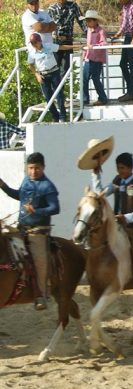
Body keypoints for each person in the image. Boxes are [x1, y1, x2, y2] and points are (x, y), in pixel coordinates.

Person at [0, 152, 59, 310]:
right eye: (31, 168)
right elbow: (19, 195)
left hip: (38, 232)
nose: (34, 172)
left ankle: (41, 294)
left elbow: (55, 208)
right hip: (21, 229)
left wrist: (36, 211)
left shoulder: (48, 186)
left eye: (37, 168)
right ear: (27, 168)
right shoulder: (26, 180)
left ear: (43, 167)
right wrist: (4, 186)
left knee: (40, 260)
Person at [93, 152, 133, 305]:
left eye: (123, 168)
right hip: (118, 226)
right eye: (118, 168)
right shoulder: (117, 182)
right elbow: (100, 194)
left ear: (131, 168)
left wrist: (128, 217)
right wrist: (95, 175)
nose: (120, 171)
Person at [27, 32, 74, 123]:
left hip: (54, 72)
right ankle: (55, 116)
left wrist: (76, 47)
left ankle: (63, 116)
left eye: (35, 43)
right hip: (43, 75)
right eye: (32, 43)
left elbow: (61, 47)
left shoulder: (48, 46)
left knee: (59, 95)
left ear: (39, 41)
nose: (34, 45)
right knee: (48, 97)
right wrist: (37, 75)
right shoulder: (32, 52)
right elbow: (30, 65)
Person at [112, 0, 133, 102]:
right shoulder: (125, 8)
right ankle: (130, 90)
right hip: (127, 36)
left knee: (132, 64)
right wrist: (117, 34)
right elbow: (124, 25)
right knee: (123, 63)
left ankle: (131, 92)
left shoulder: (132, 7)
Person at [47, 0, 86, 75]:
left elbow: (81, 21)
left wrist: (90, 34)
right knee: (54, 68)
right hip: (55, 41)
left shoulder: (73, 6)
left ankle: (60, 86)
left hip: (68, 40)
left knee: (66, 68)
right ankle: (57, 86)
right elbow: (46, 25)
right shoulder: (51, 9)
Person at [81, 10, 109, 106]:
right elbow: (88, 44)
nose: (87, 23)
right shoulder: (89, 30)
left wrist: (94, 46)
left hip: (97, 59)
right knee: (84, 78)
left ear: (95, 21)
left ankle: (102, 98)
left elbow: (104, 43)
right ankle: (85, 99)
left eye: (89, 21)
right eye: (87, 21)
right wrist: (84, 54)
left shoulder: (101, 31)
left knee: (95, 78)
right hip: (89, 58)